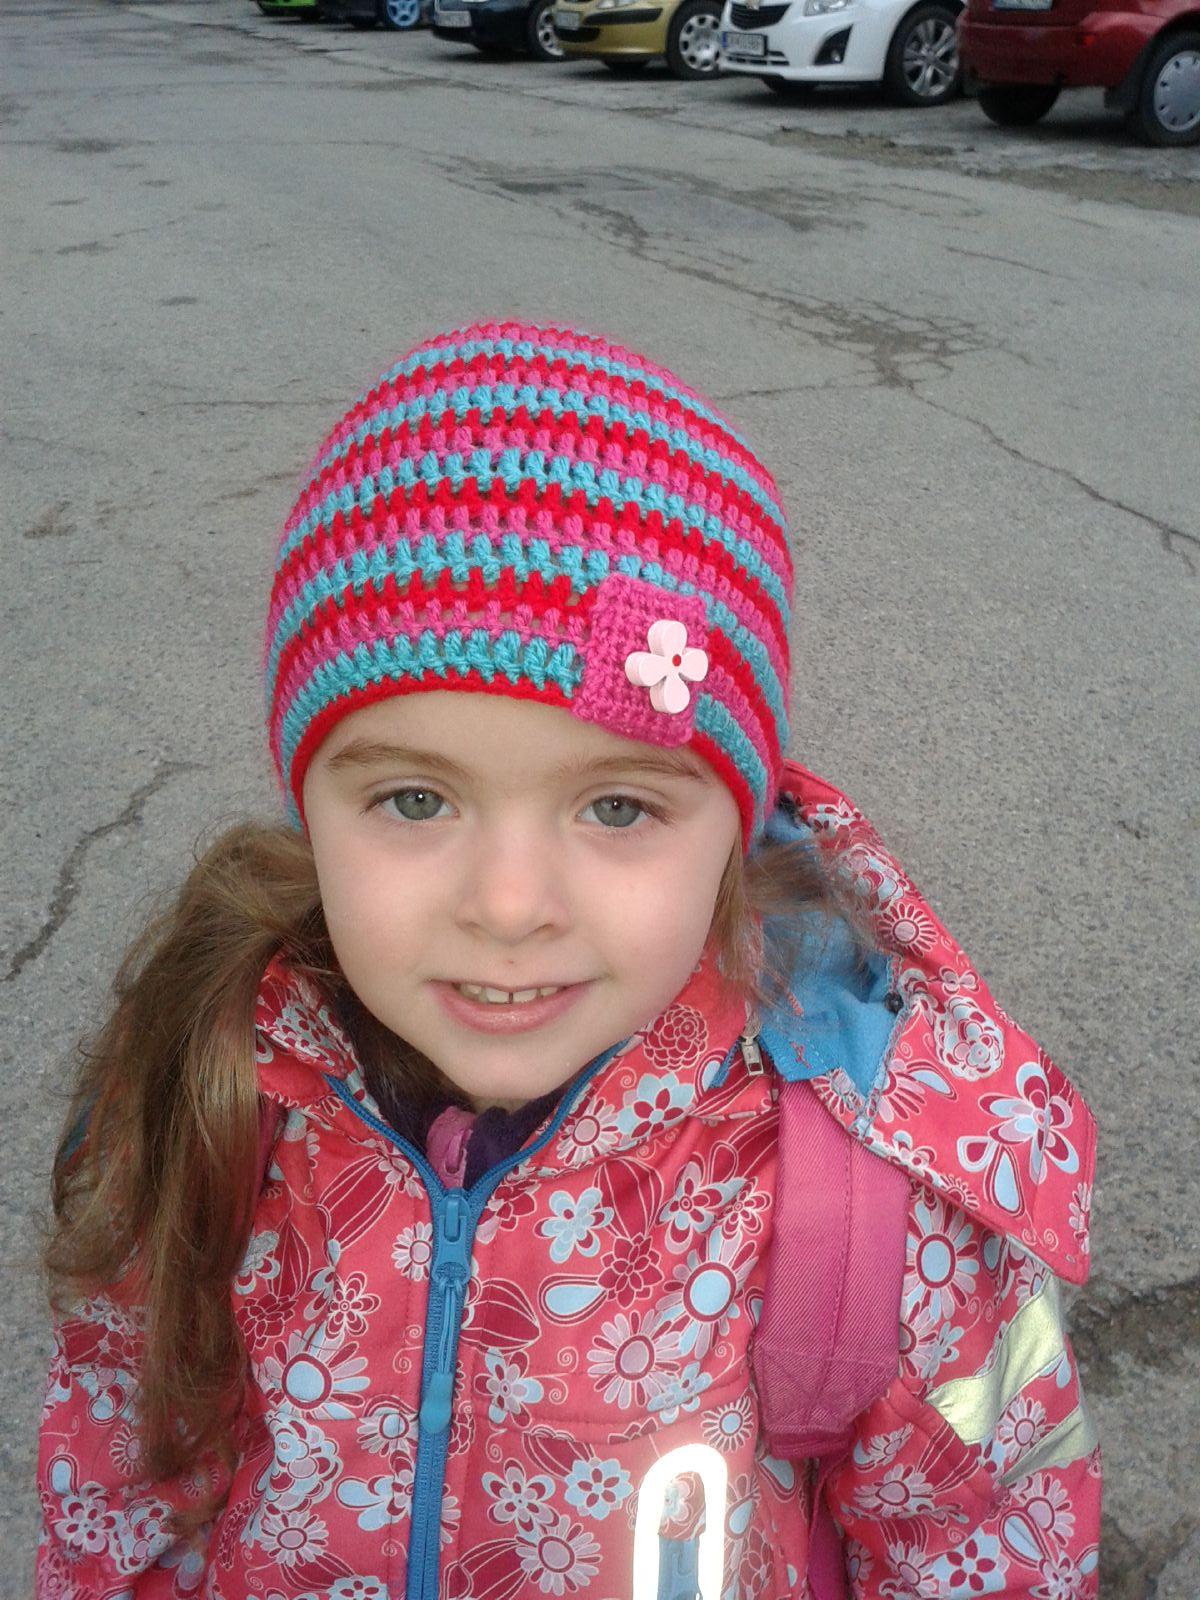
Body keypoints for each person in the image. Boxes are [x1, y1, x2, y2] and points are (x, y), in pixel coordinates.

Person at [36, 320, 1100, 1599]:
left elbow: (983, 1535)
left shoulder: (866, 1186)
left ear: (738, 823)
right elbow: (123, 1476)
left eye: (617, 808)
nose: (508, 904)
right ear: (304, 805)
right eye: (416, 800)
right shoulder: (215, 1088)